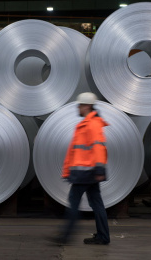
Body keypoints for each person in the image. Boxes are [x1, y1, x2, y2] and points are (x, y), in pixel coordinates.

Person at [60, 92, 110, 245]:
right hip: (86, 172)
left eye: (80, 105)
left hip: (86, 173)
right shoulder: (86, 124)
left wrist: (100, 170)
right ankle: (103, 236)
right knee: (96, 203)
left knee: (73, 201)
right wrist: (68, 171)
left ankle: (65, 236)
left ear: (87, 106)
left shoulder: (92, 124)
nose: (78, 107)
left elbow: (99, 148)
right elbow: (75, 151)